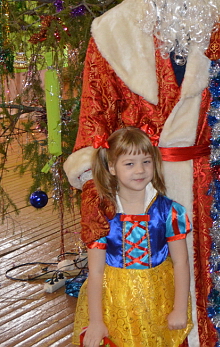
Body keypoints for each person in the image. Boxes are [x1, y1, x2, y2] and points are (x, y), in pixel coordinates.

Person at [64, 0, 220, 347]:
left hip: (205, 184)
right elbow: (94, 114)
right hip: (137, 187)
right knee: (142, 299)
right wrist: (94, 184)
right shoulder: (114, 30)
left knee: (212, 288)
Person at [73, 127, 192, 347]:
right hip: (114, 304)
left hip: (158, 302)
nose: (140, 170)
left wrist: (179, 309)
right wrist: (97, 321)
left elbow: (181, 262)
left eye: (146, 161)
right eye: (129, 164)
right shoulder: (102, 215)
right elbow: (96, 271)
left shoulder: (169, 211)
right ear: (112, 167)